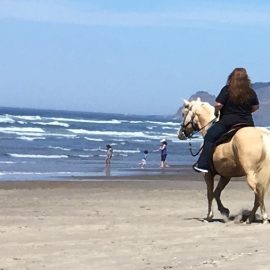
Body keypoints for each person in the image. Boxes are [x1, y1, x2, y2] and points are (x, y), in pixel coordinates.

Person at [193, 67, 259, 173]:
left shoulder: (227, 89)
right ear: (246, 79)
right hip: (247, 123)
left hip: (228, 122)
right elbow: (256, 107)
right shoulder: (250, 91)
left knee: (209, 136)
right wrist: (245, 112)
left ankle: (203, 165)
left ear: (231, 78)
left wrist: (216, 111)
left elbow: (218, 104)